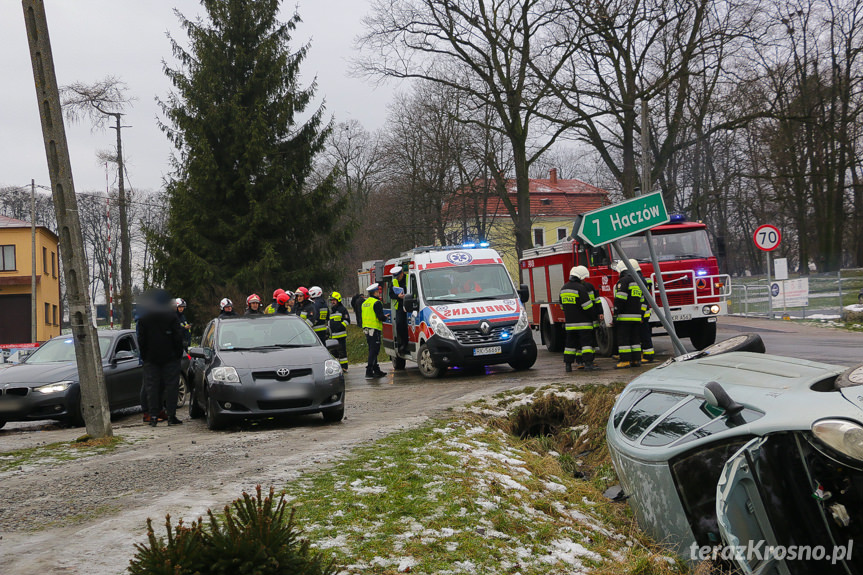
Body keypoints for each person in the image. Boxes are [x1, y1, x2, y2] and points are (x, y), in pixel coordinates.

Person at [137, 289, 185, 426]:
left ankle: (153, 416)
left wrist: (145, 355)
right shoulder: (171, 317)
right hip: (170, 357)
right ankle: (171, 416)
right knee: (171, 387)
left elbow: (141, 340)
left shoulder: (144, 319)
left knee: (152, 387)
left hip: (151, 358)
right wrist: (177, 354)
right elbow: (178, 338)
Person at [559, 266, 599, 372]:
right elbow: (587, 306)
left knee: (570, 345)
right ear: (580, 277)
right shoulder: (580, 288)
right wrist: (594, 317)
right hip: (583, 323)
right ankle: (588, 364)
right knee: (586, 345)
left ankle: (568, 365)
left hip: (570, 324)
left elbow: (562, 306)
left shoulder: (563, 288)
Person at [614, 260, 644, 368]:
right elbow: (642, 300)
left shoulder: (623, 281)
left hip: (624, 317)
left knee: (624, 339)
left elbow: (620, 298)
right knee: (635, 339)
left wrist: (616, 313)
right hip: (636, 317)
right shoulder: (638, 281)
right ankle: (636, 360)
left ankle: (625, 361)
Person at [362, 282, 387, 379]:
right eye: (378, 292)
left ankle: (376, 370)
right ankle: (369, 371)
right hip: (374, 329)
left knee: (372, 349)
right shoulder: (377, 303)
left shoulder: (365, 303)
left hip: (367, 329)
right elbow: (380, 317)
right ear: (375, 293)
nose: (379, 294)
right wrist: (385, 317)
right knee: (374, 351)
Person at [631, 259, 654, 363]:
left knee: (644, 335)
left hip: (642, 314)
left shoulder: (639, 280)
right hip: (643, 313)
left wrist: (641, 315)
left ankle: (648, 356)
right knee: (643, 334)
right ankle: (644, 354)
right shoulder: (641, 278)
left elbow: (644, 301)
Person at [389, 265, 409, 355]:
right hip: (400, 306)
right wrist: (398, 296)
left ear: (402, 273)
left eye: (398, 276)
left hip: (409, 304)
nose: (397, 278)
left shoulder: (409, 278)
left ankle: (407, 343)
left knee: (408, 325)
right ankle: (403, 344)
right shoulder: (394, 282)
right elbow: (390, 295)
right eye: (396, 276)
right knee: (400, 325)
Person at [328, 291, 350, 371]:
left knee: (342, 353)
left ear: (338, 300)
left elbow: (347, 320)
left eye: (334, 300)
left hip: (341, 336)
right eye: (331, 300)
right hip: (333, 336)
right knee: (334, 353)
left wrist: (340, 326)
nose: (332, 302)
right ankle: (336, 368)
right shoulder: (332, 310)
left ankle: (344, 367)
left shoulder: (342, 309)